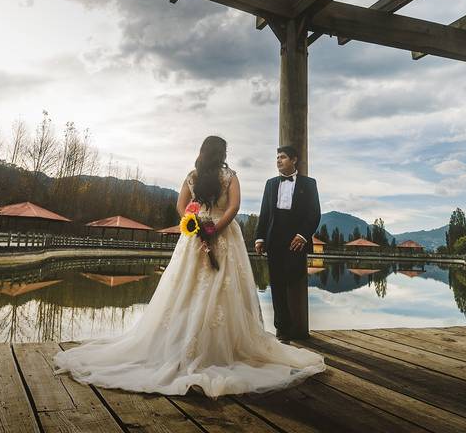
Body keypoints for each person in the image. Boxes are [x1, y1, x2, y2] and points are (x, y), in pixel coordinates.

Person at [54, 136, 325, 398]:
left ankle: (187, 343)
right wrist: (216, 228)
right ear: (222, 154)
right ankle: (224, 345)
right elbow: (234, 206)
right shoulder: (230, 176)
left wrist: (194, 224)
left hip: (194, 236)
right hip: (221, 236)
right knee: (220, 287)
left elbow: (181, 205)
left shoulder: (192, 176)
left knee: (189, 286)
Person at [254, 145, 321, 342]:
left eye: (282, 157)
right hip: (274, 240)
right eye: (277, 157)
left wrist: (302, 235)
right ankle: (282, 329)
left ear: (294, 160)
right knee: (277, 285)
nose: (278, 160)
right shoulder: (271, 183)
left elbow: (314, 213)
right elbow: (264, 212)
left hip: (296, 241)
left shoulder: (309, 184)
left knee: (295, 277)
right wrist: (260, 237)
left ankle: (298, 327)